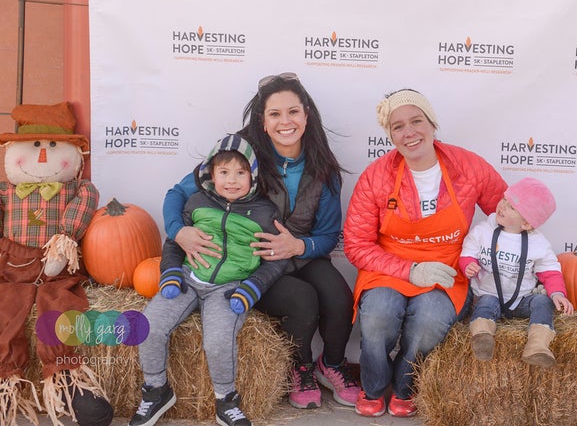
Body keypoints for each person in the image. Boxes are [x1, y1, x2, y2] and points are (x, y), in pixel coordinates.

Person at [162, 73, 359, 410]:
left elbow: (327, 236)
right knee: (302, 299)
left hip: (299, 256)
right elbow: (177, 193)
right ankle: (302, 368)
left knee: (339, 296)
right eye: (275, 114)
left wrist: (299, 246)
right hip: (250, 263)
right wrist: (179, 231)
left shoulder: (322, 167)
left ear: (306, 115)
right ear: (263, 122)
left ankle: (333, 363)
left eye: (293, 112)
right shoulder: (239, 154)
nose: (286, 121)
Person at [343, 89, 508, 418]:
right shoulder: (376, 176)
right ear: (390, 135)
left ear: (432, 124)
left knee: (428, 324)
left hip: (447, 267)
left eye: (416, 121)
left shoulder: (468, 167)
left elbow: (506, 213)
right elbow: (357, 245)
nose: (409, 132)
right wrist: (409, 270)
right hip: (389, 268)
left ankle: (405, 387)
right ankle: (373, 386)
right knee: (378, 317)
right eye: (398, 126)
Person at [129, 134, 290, 426]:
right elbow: (174, 243)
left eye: (241, 173)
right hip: (189, 279)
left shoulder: (265, 213)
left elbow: (276, 260)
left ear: (253, 176)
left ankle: (225, 401)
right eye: (224, 172)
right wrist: (171, 272)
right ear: (210, 174)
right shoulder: (196, 202)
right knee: (150, 326)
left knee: (217, 340)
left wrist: (251, 288)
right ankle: (156, 390)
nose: (232, 180)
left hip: (228, 289)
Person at [459, 177, 574, 369]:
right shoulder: (483, 231)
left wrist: (557, 293)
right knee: (486, 302)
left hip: (520, 300)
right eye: (504, 200)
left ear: (527, 224)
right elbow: (468, 252)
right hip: (488, 295)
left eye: (511, 207)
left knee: (542, 301)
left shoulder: (538, 243)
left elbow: (550, 271)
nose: (502, 207)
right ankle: (482, 337)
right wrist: (468, 264)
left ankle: (537, 345)